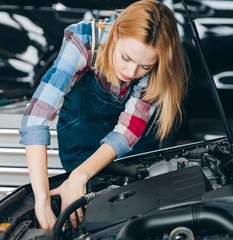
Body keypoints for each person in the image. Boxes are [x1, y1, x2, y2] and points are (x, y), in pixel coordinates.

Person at [19, 0, 188, 229]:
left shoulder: (157, 60)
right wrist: (41, 200)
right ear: (116, 33)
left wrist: (79, 176)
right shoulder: (83, 40)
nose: (131, 72)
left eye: (144, 67)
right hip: (81, 136)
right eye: (126, 58)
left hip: (133, 146)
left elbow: (128, 129)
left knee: (137, 217)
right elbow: (36, 118)